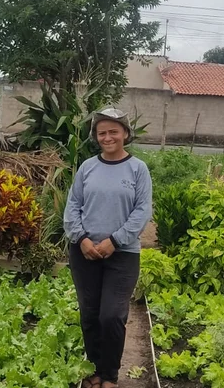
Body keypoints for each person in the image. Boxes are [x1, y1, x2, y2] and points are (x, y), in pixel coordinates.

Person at [64, 108, 152, 388]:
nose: (107, 137)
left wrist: (115, 241)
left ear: (125, 133)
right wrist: (82, 239)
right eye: (102, 132)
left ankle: (110, 374)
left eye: (114, 131)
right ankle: (94, 370)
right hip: (85, 252)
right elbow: (72, 206)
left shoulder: (138, 169)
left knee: (112, 315)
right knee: (89, 314)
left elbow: (142, 211)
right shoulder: (88, 167)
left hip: (123, 254)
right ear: (95, 136)